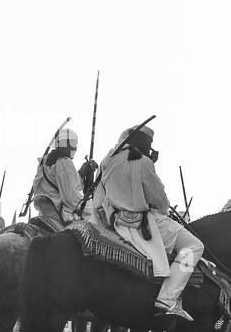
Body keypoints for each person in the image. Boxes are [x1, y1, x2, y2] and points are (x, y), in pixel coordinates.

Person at [89, 124, 203, 320]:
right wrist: (150, 164)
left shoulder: (108, 160)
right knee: (194, 245)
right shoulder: (143, 162)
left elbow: (99, 197)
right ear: (146, 144)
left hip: (114, 221)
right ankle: (168, 299)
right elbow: (160, 201)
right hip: (142, 223)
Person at [28, 127, 83, 231]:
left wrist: (83, 173)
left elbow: (67, 184)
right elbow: (71, 198)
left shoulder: (44, 161)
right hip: (56, 209)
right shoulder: (64, 161)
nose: (75, 147)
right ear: (65, 143)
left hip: (43, 207)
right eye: (73, 143)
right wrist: (88, 207)